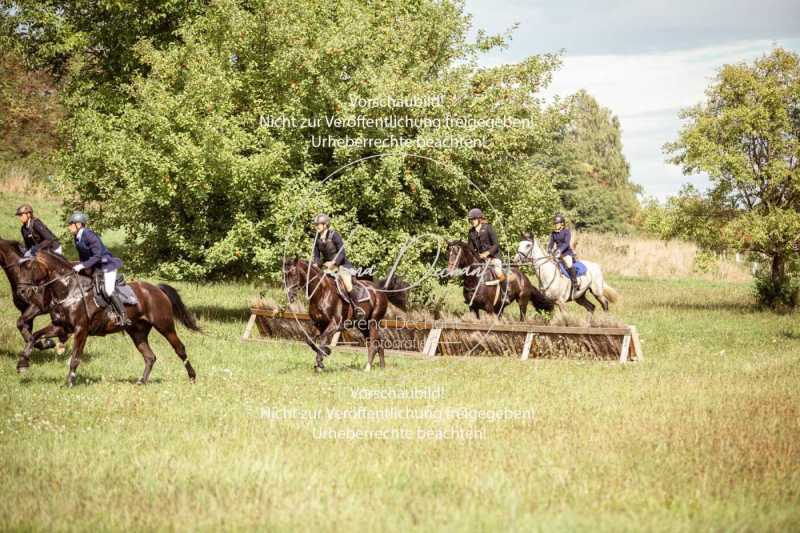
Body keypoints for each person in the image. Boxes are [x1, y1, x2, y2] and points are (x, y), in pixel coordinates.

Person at [67, 212, 130, 326]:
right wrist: (80, 265)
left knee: (108, 290)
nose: (69, 226)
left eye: (71, 224)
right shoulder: (77, 237)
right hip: (95, 267)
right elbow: (84, 256)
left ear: (79, 224)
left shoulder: (88, 234)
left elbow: (98, 255)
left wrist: (83, 265)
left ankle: (123, 316)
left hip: (107, 266)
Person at [311, 214, 365, 319]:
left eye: (319, 224)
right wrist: (315, 264)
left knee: (347, 284)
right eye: (316, 224)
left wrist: (334, 263)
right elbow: (317, 256)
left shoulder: (334, 235)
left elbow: (342, 253)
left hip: (342, 265)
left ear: (325, 225)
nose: (317, 226)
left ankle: (357, 308)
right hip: (327, 267)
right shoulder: (316, 239)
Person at [466, 207, 505, 283]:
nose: (472, 221)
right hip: (480, 259)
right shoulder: (471, 232)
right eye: (471, 219)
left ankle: (505, 291)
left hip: (493, 257)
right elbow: (470, 248)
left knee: (498, 272)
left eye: (474, 219)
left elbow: (496, 244)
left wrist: (487, 253)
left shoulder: (488, 228)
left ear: (479, 219)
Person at [548, 213, 577, 297]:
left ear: (562, 224)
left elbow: (566, 243)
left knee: (569, 264)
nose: (556, 225)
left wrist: (559, 250)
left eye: (557, 223)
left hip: (566, 253)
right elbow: (551, 243)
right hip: (557, 254)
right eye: (555, 224)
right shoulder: (554, 233)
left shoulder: (566, 232)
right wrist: (549, 250)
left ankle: (575, 283)